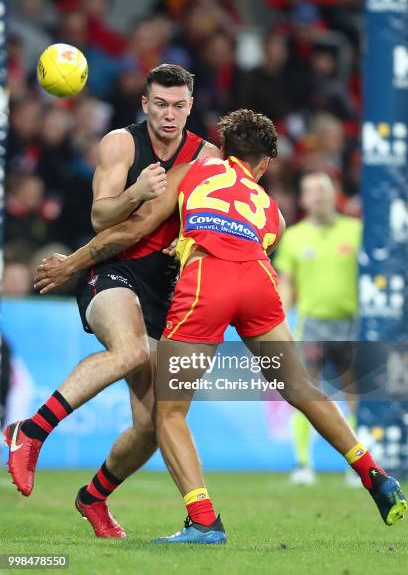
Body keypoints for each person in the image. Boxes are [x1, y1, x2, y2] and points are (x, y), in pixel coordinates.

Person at [34, 109, 406, 544]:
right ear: (264, 164)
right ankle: (375, 475)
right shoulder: (272, 209)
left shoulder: (197, 168)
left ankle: (204, 520)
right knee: (304, 389)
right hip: (258, 283)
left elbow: (136, 227)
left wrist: (76, 263)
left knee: (167, 412)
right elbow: (260, 239)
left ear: (224, 149)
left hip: (208, 280)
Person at [4, 64, 221, 539]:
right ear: (145, 104)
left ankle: (94, 497)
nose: (169, 114)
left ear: (191, 106)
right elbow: (102, 216)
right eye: (160, 104)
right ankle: (31, 432)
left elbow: (210, 220)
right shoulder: (120, 143)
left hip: (167, 287)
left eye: (178, 105)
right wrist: (137, 193)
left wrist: (188, 239)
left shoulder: (208, 156)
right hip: (114, 268)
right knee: (130, 351)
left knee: (153, 424)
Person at [274, 173, 361, 485]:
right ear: (303, 200)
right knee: (304, 391)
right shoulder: (295, 237)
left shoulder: (356, 231)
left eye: (323, 190)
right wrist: (280, 319)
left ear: (333, 194)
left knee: (355, 394)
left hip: (350, 323)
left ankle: (357, 465)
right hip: (311, 324)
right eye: (311, 191)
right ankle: (303, 464)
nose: (318, 196)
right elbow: (287, 284)